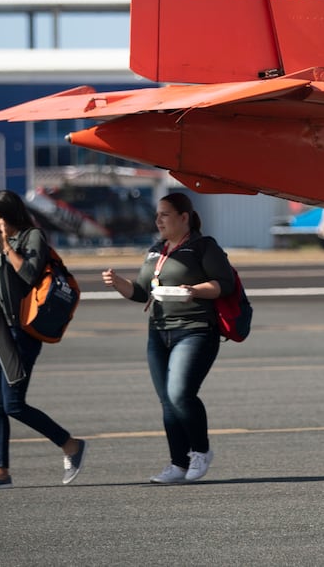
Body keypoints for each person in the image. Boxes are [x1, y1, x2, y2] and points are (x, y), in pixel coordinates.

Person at [102, 192, 235, 484]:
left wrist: (194, 291)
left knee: (179, 394)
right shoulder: (156, 250)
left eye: (164, 214)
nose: (158, 220)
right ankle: (178, 463)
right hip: (159, 332)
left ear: (183, 217)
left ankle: (200, 451)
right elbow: (141, 292)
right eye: (157, 215)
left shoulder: (203, 246)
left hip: (195, 329)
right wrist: (118, 283)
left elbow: (223, 285)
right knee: (167, 402)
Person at [0, 189, 87, 489]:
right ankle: (0, 471)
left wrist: (6, 244)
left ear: (12, 213)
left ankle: (70, 444)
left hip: (23, 331)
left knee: (14, 404)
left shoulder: (32, 237)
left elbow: (29, 275)